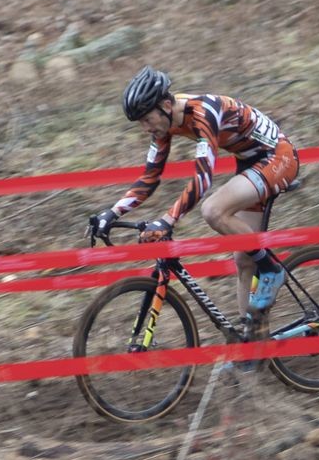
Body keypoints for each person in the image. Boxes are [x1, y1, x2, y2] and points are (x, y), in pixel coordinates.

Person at [89, 66, 299, 332]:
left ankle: (272, 270)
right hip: (249, 162)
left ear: (166, 105)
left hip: (278, 158)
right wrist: (113, 212)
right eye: (140, 122)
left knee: (213, 210)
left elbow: (203, 178)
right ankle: (251, 343)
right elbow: (150, 178)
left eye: (147, 119)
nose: (145, 128)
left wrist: (168, 220)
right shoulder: (164, 125)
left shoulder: (203, 112)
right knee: (244, 260)